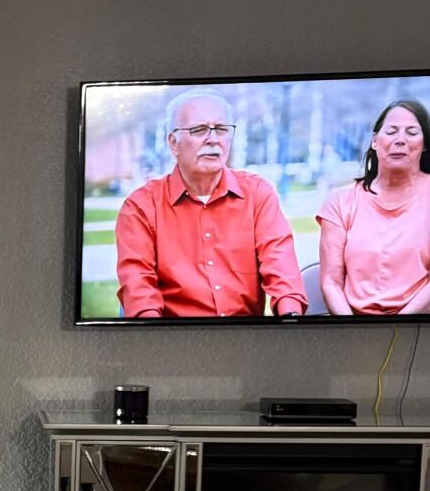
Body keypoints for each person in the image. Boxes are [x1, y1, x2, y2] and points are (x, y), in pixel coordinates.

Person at [114, 90, 306, 319]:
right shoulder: (141, 207)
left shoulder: (258, 194)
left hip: (246, 334)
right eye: (199, 130)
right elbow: (139, 290)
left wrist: (290, 318)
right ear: (173, 143)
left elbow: (282, 270)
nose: (213, 139)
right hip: (174, 334)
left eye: (221, 129)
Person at [317, 100, 430, 317]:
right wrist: (354, 328)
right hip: (353, 326)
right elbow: (331, 283)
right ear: (375, 141)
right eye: (391, 132)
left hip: (419, 327)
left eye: (412, 132)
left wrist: (397, 326)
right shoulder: (340, 201)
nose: (400, 140)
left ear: (424, 144)